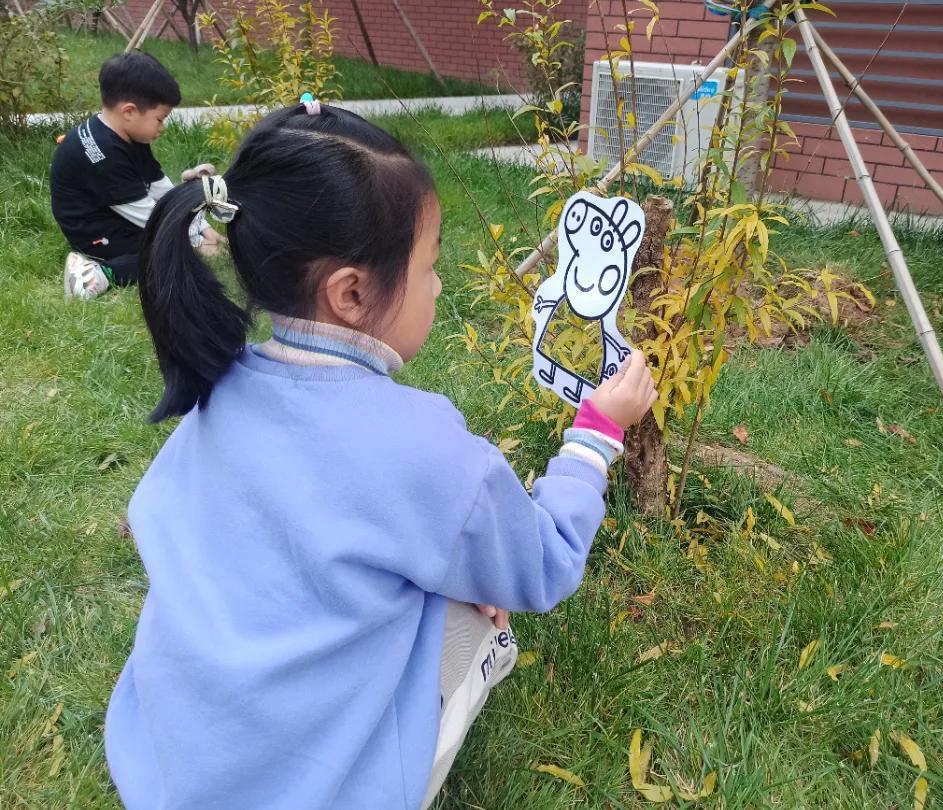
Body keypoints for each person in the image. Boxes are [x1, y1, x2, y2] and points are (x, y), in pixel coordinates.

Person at [104, 101, 658, 809]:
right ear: (352, 292)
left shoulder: (220, 392)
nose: (438, 285)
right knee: (481, 628)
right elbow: (544, 563)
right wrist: (595, 434)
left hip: (166, 766)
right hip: (311, 793)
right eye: (430, 266)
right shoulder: (423, 448)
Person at [49, 51, 223, 300]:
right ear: (129, 111)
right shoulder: (104, 155)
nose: (162, 128)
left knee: (175, 240)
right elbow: (152, 218)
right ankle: (97, 274)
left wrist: (204, 229)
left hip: (115, 213)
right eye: (159, 119)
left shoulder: (128, 135)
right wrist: (195, 244)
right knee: (170, 255)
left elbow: (161, 189)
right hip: (94, 233)